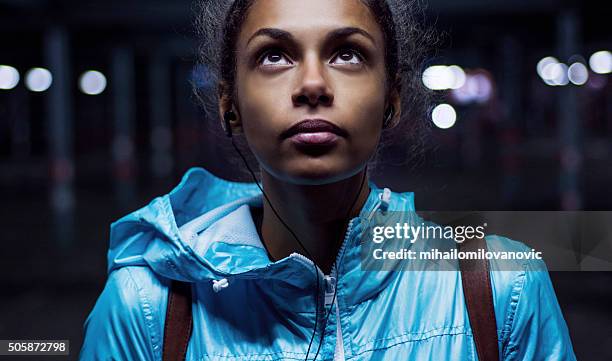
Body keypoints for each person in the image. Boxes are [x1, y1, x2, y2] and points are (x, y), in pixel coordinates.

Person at [79, 0, 577, 360]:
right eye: (274, 55)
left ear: (392, 100)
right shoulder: (147, 306)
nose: (313, 84)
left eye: (347, 54)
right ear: (230, 106)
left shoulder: (501, 287)